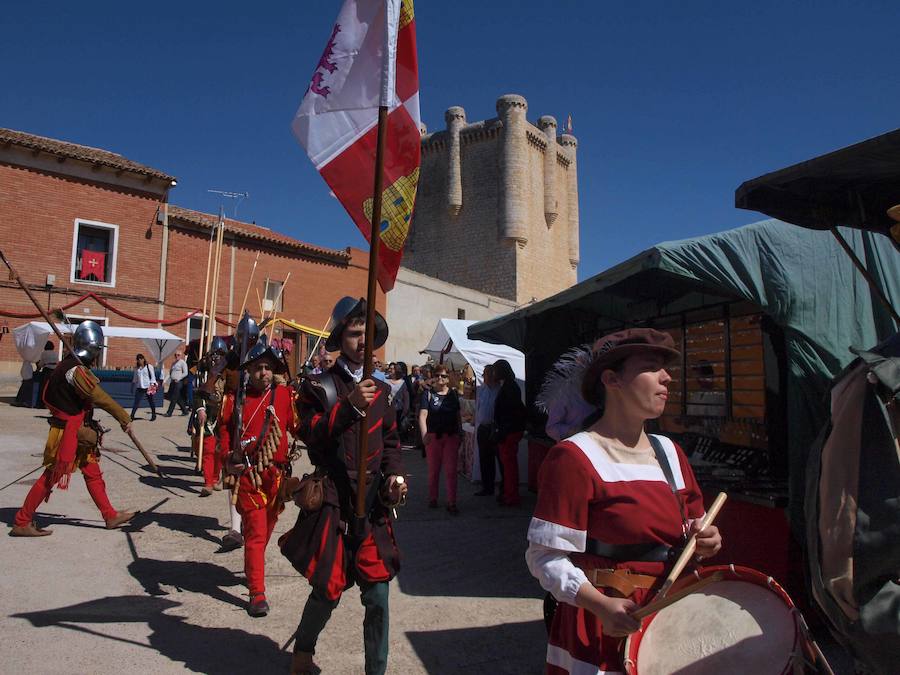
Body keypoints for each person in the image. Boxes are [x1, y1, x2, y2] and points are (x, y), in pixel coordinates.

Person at [525, 328, 722, 673]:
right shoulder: (575, 457)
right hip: (605, 623)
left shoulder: (670, 452)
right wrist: (599, 604)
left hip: (669, 617)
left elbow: (694, 527)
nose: (667, 378)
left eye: (666, 369)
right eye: (651, 367)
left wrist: (706, 539)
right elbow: (543, 557)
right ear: (612, 379)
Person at [283, 296, 406, 675]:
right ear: (341, 337)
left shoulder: (384, 393)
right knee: (327, 591)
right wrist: (350, 405)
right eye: (354, 333)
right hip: (333, 500)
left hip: (371, 505)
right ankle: (303, 651)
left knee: (379, 596)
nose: (362, 341)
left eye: (368, 333)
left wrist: (396, 476)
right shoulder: (319, 387)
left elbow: (391, 443)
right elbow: (311, 434)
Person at [10, 322, 137, 536]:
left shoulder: (68, 365)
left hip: (78, 430)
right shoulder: (74, 370)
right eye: (97, 349)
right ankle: (22, 521)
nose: (97, 354)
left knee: (93, 472)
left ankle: (110, 515)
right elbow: (99, 397)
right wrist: (123, 417)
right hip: (67, 432)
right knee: (51, 476)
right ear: (92, 347)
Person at [218, 333, 299, 617]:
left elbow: (299, 429)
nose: (263, 372)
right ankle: (257, 592)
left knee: (267, 527)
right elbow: (225, 432)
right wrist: (228, 458)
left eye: (267, 367)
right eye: (257, 367)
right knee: (254, 532)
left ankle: (254, 569)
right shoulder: (234, 399)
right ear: (248, 370)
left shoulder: (285, 396)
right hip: (249, 475)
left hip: (276, 476)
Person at [418, 364, 462, 514]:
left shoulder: (453, 394)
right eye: (437, 375)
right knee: (434, 470)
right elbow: (423, 415)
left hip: (451, 436)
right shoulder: (428, 394)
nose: (440, 378)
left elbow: (457, 415)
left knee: (451, 470)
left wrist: (460, 432)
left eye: (443, 376)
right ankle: (433, 498)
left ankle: (451, 501)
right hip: (433, 437)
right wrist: (424, 435)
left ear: (448, 378)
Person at [535, 345, 597, 441]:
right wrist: (574, 431)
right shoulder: (564, 392)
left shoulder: (601, 388)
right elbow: (551, 428)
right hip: (576, 445)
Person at [493, 359, 526, 506]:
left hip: (509, 431)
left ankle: (511, 496)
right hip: (510, 430)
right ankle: (509, 493)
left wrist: (502, 430)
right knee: (508, 465)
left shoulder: (509, 387)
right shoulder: (509, 386)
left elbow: (511, 412)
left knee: (509, 465)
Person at [474, 364, 500, 496]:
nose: (484, 376)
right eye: (483, 374)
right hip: (483, 428)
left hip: (494, 428)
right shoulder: (482, 389)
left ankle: (501, 488)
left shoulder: (499, 390)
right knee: (484, 459)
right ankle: (487, 487)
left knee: (497, 458)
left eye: (486, 373)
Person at [130, 353, 158, 421]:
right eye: (138, 360)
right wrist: (132, 386)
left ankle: (153, 415)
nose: (139, 361)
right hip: (140, 387)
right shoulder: (137, 369)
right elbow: (135, 378)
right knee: (136, 402)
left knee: (151, 401)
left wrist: (152, 386)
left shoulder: (149, 366)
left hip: (148, 386)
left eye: (140, 359)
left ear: (143, 359)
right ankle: (132, 416)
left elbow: (153, 377)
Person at [165, 349, 189, 416]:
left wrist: (179, 378)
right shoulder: (173, 363)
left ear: (181, 356)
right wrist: (165, 380)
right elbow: (170, 373)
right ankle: (185, 411)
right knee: (178, 397)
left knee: (174, 397)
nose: (176, 356)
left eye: (178, 355)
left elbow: (185, 373)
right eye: (175, 355)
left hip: (178, 382)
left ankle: (169, 412)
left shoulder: (182, 363)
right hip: (173, 382)